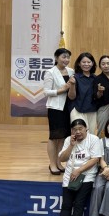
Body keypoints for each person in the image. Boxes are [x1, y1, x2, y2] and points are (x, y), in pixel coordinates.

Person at [52, 119, 102, 216]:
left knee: (79, 205)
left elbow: (95, 159)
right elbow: (62, 158)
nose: (78, 132)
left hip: (86, 176)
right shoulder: (69, 140)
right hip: (69, 177)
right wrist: (71, 146)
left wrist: (79, 170)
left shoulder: (94, 139)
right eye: (75, 129)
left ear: (86, 129)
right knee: (66, 205)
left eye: (80, 129)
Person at [44, 47, 75, 175]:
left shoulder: (71, 71)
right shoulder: (50, 72)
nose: (66, 59)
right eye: (63, 57)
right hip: (55, 108)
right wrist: (62, 89)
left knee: (63, 137)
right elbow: (46, 92)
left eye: (68, 57)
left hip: (68, 107)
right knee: (54, 137)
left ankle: (58, 162)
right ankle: (52, 164)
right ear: (56, 58)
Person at [68, 52, 98, 133]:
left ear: (92, 63)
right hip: (77, 110)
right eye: (83, 62)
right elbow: (71, 97)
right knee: (79, 134)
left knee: (91, 135)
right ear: (79, 63)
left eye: (89, 62)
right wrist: (72, 84)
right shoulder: (74, 77)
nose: (86, 64)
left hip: (92, 110)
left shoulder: (95, 78)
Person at [93, 55, 109, 137]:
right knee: (102, 130)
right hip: (103, 107)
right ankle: (100, 144)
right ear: (100, 66)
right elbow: (96, 96)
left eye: (108, 63)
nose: (106, 66)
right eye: (103, 64)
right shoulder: (97, 79)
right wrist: (100, 92)